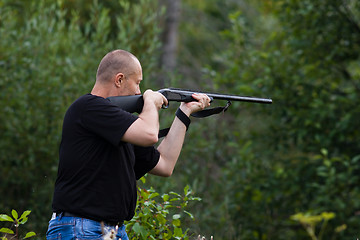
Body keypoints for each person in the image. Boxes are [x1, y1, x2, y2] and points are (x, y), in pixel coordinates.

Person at [46, 49, 211, 240]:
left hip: (112, 231)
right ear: (119, 79)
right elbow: (150, 134)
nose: (138, 91)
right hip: (82, 228)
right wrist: (150, 100)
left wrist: (185, 112)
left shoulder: (121, 126)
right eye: (138, 83)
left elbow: (165, 164)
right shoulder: (88, 107)